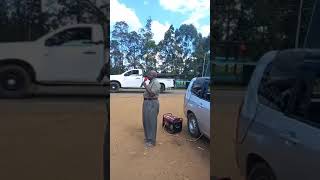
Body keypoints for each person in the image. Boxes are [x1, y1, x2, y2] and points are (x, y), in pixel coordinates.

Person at [142, 70, 161, 148]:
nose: (147, 75)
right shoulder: (151, 82)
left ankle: (152, 141)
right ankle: (148, 138)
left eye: (149, 74)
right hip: (147, 102)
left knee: (151, 122)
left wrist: (145, 86)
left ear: (153, 75)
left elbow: (152, 93)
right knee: (146, 121)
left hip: (152, 103)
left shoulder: (156, 82)